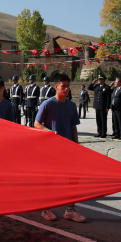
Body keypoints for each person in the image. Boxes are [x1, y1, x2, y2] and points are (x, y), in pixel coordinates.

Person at [34, 72, 85, 223]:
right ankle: (46, 209)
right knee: (50, 179)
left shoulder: (71, 105)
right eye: (63, 86)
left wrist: (77, 146)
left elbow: (73, 127)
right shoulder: (47, 104)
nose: (66, 89)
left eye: (68, 86)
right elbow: (36, 124)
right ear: (56, 87)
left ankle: (70, 210)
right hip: (51, 149)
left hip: (68, 148)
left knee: (73, 179)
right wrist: (49, 132)